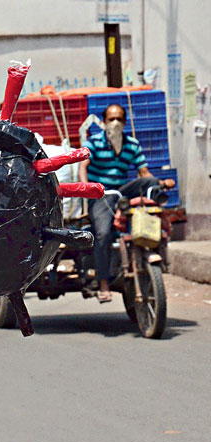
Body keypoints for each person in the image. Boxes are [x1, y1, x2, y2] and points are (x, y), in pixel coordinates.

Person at [79, 103, 176, 303]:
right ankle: (103, 282)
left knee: (149, 183)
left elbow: (143, 171)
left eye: (120, 119)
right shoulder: (94, 142)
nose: (115, 123)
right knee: (103, 233)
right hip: (100, 194)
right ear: (104, 122)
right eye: (111, 119)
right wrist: (87, 188)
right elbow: (83, 167)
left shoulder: (132, 144)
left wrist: (160, 182)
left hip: (121, 193)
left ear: (125, 122)